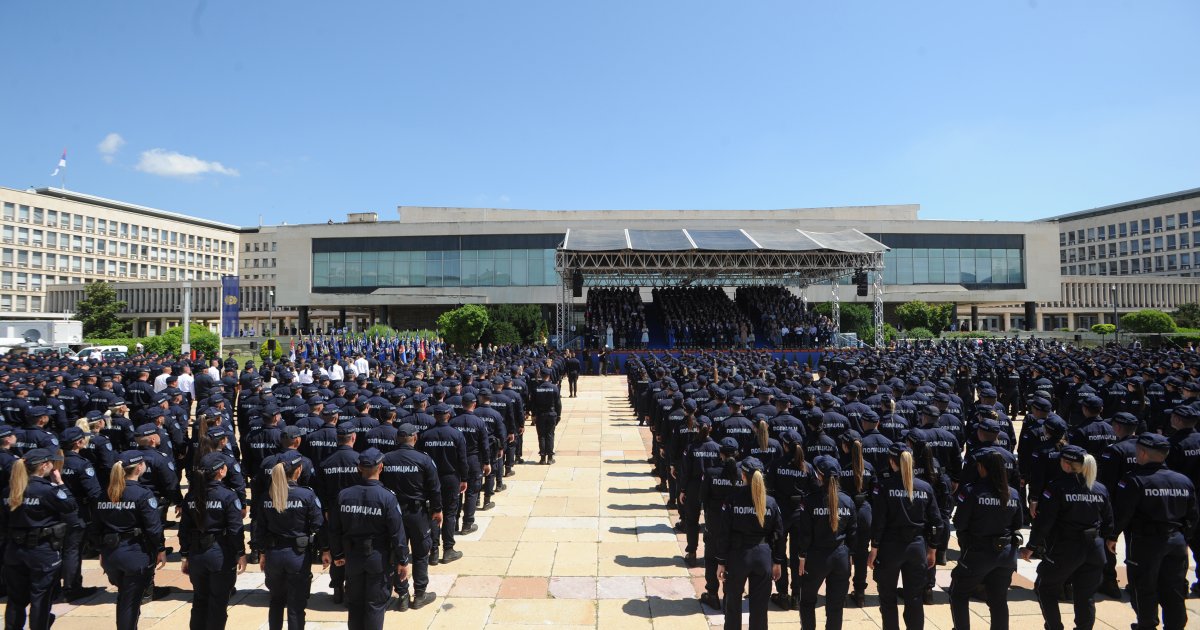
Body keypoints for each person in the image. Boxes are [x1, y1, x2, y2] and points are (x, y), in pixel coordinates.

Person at [1109, 433, 1198, 630]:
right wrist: (1184, 537)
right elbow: (1193, 516)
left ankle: (1146, 624)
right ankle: (1175, 625)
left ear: (1141, 453)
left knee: (1143, 586)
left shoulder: (1134, 480)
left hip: (1146, 542)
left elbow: (1123, 514)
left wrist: (1112, 535)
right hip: (1176, 540)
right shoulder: (1183, 480)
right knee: (1174, 587)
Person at [1020, 445, 1112, 630]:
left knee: (1045, 588)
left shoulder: (1057, 487)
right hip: (1095, 548)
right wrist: (1110, 540)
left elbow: (1045, 522)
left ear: (1067, 464)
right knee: (1085, 595)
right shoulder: (1099, 488)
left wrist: (1031, 546)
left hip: (1066, 548)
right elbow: (1109, 520)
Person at [327, 448, 410, 630]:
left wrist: (338, 553)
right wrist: (403, 560)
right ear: (381, 467)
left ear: (359, 468)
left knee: (355, 604)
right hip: (377, 559)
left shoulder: (344, 495)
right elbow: (397, 533)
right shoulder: (387, 497)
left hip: (352, 557)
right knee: (375, 605)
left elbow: (334, 529)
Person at [1, 448, 80, 630]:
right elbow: (70, 506)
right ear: (44, 465)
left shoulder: (9, 491)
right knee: (41, 599)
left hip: (14, 551)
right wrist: (59, 483)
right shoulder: (46, 490)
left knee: (16, 600)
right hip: (41, 551)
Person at [867, 443, 942, 630]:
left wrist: (874, 548)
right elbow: (937, 522)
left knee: (888, 598)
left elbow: (879, 521)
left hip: (890, 548)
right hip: (917, 547)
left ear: (892, 462)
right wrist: (932, 549)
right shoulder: (925, 487)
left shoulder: (884, 486)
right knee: (914, 598)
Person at [948, 449, 1021, 630]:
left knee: (958, 593)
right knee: (998, 600)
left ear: (982, 468)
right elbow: (1018, 523)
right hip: (1005, 554)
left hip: (978, 553)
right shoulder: (1013, 493)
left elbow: (959, 522)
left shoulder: (973, 491)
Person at [93, 451, 167, 630]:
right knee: (130, 602)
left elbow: (95, 527)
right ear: (139, 467)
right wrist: (160, 549)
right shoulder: (142, 494)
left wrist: (102, 551)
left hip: (112, 555)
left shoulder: (105, 494)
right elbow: (153, 528)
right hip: (135, 554)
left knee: (125, 597)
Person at [254, 450, 324, 630]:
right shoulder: (306, 495)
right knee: (296, 605)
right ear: (299, 470)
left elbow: (259, 528)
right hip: (297, 556)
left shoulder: (267, 496)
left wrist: (262, 553)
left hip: (274, 555)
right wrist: (325, 549)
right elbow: (318, 524)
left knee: (276, 601)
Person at [714, 456, 785, 630]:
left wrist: (721, 561)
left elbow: (724, 533)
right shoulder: (771, 502)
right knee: (760, 608)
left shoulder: (733, 499)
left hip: (738, 556)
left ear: (743, 476)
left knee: (733, 605)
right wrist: (777, 561)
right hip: (762, 556)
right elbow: (779, 535)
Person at [180, 452, 248, 630]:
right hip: (220, 554)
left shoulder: (191, 496)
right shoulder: (227, 496)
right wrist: (240, 553)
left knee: (200, 601)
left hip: (197, 553)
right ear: (221, 471)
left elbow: (184, 530)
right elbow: (235, 529)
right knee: (218, 604)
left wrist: (185, 554)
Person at [380, 423, 441, 611]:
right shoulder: (423, 460)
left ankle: (403, 594)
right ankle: (420, 594)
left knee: (398, 553)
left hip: (394, 514)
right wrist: (437, 510)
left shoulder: (386, 459)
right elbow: (434, 488)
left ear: (397, 439)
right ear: (415, 438)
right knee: (421, 552)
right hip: (417, 514)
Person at [793, 456, 856, 630]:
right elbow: (853, 534)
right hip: (840, 556)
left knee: (807, 601)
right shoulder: (847, 501)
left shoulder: (810, 500)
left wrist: (802, 556)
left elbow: (805, 533)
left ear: (819, 475)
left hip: (816, 557)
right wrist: (849, 556)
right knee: (835, 607)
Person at [531, 371, 562, 465]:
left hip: (540, 414)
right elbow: (558, 403)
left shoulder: (536, 388)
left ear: (541, 375)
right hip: (551, 414)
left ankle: (542, 458)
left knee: (541, 436)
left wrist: (533, 415)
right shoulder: (554, 388)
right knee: (550, 434)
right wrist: (559, 414)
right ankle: (550, 457)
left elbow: (533, 403)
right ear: (549, 375)